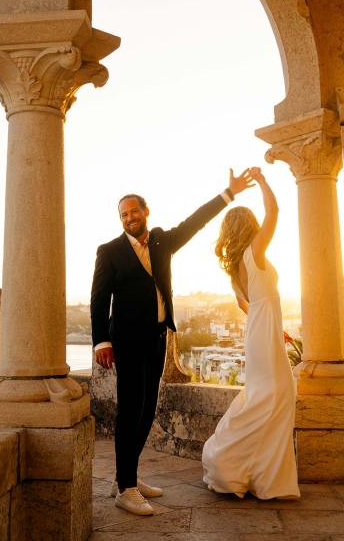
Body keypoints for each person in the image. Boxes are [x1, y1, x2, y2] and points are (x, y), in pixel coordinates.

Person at [90, 169, 254, 516]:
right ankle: (125, 488)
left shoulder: (163, 241)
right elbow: (98, 299)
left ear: (145, 212)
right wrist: (101, 341)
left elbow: (196, 222)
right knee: (130, 410)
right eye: (123, 214)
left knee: (148, 409)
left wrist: (228, 193)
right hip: (128, 341)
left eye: (134, 211)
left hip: (157, 337)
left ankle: (130, 475)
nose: (129, 217)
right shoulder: (109, 251)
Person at [202, 167, 300, 500]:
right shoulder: (255, 252)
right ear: (250, 227)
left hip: (259, 330)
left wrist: (274, 326)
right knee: (277, 395)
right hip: (263, 330)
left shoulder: (235, 268)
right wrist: (260, 179)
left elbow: (248, 306)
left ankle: (256, 472)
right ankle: (252, 471)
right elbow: (274, 211)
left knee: (265, 396)